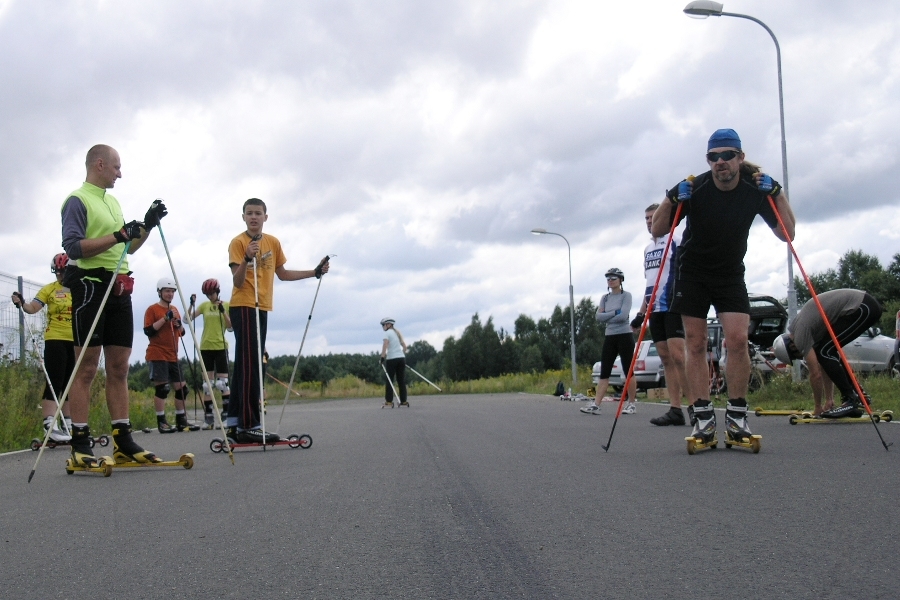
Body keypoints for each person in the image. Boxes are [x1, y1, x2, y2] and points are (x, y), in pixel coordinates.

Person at [651, 129, 795, 446]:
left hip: (730, 272)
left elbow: (788, 235)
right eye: (714, 157)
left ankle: (737, 416)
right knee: (697, 343)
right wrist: (670, 197)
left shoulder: (754, 187)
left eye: (728, 155)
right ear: (708, 161)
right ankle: (703, 418)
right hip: (693, 272)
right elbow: (658, 229)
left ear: (740, 158)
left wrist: (778, 193)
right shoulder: (697, 188)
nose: (721, 163)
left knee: (738, 339)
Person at [61, 144, 168, 466]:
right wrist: (118, 235)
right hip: (90, 286)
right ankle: (80, 443)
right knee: (88, 367)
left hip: (120, 286)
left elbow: (129, 248)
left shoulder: (113, 201)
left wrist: (146, 225)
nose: (121, 173)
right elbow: (74, 248)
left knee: (119, 367)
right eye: (117, 167)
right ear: (100, 164)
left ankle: (123, 441)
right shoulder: (77, 200)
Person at [226, 197, 329, 443]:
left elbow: (282, 274)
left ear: (265, 217)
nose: (253, 217)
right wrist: (246, 259)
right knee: (251, 365)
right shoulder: (238, 243)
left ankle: (234, 423)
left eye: (258, 213)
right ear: (243, 217)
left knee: (245, 364)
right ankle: (249, 425)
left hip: (262, 307)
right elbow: (237, 281)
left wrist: (313, 273)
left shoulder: (273, 242)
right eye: (249, 213)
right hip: (244, 305)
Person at [774, 289, 881, 418]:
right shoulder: (804, 330)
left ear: (791, 346)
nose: (801, 357)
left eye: (796, 355)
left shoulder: (800, 336)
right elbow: (824, 365)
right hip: (863, 305)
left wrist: (817, 407)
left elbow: (815, 374)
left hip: (862, 306)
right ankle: (858, 395)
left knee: (824, 351)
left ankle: (850, 399)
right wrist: (829, 400)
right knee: (826, 352)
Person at [635, 204, 689, 426]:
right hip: (654, 308)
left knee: (679, 357)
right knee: (665, 358)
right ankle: (675, 408)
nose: (649, 221)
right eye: (646, 218)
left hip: (672, 305)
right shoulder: (648, 249)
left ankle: (696, 405)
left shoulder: (675, 241)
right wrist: (641, 313)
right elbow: (650, 281)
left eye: (653, 217)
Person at [11, 253, 75, 442]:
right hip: (55, 338)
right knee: (55, 381)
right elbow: (32, 308)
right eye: (57, 272)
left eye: (64, 272)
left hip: (75, 340)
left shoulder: (78, 289)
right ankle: (50, 422)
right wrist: (22, 303)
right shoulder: (49, 290)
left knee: (70, 384)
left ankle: (69, 423)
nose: (60, 275)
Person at [144, 277, 198, 433]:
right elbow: (149, 330)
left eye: (172, 291)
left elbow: (181, 332)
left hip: (173, 354)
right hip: (157, 353)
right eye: (167, 291)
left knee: (182, 389)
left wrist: (178, 324)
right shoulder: (152, 309)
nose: (170, 294)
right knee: (163, 388)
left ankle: (181, 420)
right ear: (160, 292)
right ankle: (161, 421)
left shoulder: (175, 309)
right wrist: (164, 319)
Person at [580, 268, 638, 415]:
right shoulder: (605, 298)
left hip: (624, 335)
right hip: (610, 335)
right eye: (608, 278)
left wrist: (608, 315)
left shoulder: (626, 296)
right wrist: (614, 313)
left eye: (613, 278)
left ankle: (631, 403)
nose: (610, 280)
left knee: (628, 370)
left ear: (620, 280)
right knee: (605, 371)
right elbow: (598, 317)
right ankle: (597, 404)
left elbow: (623, 315)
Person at [188, 278, 232, 428]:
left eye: (211, 293)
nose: (209, 296)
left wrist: (224, 312)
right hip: (205, 347)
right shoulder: (204, 306)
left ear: (217, 291)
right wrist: (191, 305)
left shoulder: (226, 304)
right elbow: (187, 320)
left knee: (223, 384)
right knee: (207, 385)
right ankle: (209, 417)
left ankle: (226, 416)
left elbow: (231, 327)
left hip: (220, 346)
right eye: (207, 294)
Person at [380, 318, 408, 407]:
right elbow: (404, 346)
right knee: (401, 380)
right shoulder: (397, 333)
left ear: (389, 325)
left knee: (389, 380)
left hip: (391, 359)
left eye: (384, 325)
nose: (383, 327)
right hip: (401, 359)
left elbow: (385, 344)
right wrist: (401, 355)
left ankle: (389, 401)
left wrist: (382, 357)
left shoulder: (387, 333)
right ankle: (403, 401)